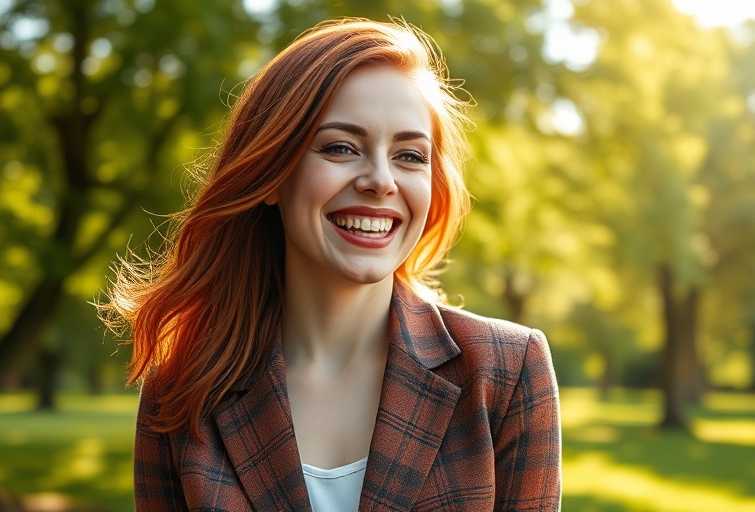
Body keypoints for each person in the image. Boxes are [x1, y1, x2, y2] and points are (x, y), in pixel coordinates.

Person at [102, 18, 561, 512]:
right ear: (271, 174)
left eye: (410, 155)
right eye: (340, 147)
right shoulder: (183, 388)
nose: (381, 180)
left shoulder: (508, 372)